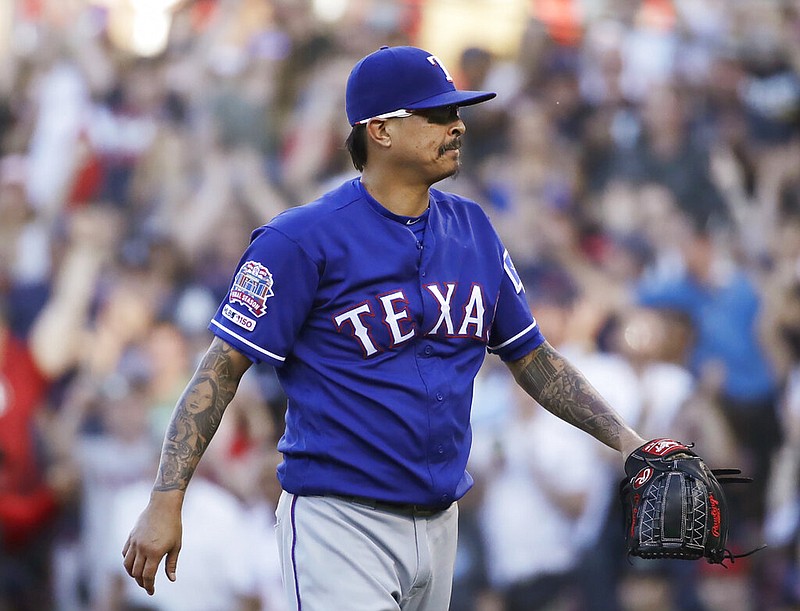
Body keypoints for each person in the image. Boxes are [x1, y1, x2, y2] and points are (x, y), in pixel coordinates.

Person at [122, 45, 646, 611]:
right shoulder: (300, 239)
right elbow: (220, 369)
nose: (458, 126)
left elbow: (535, 360)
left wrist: (631, 443)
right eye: (438, 115)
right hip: (339, 521)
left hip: (443, 520)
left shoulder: (473, 228)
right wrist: (167, 497)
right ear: (381, 131)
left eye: (457, 112)